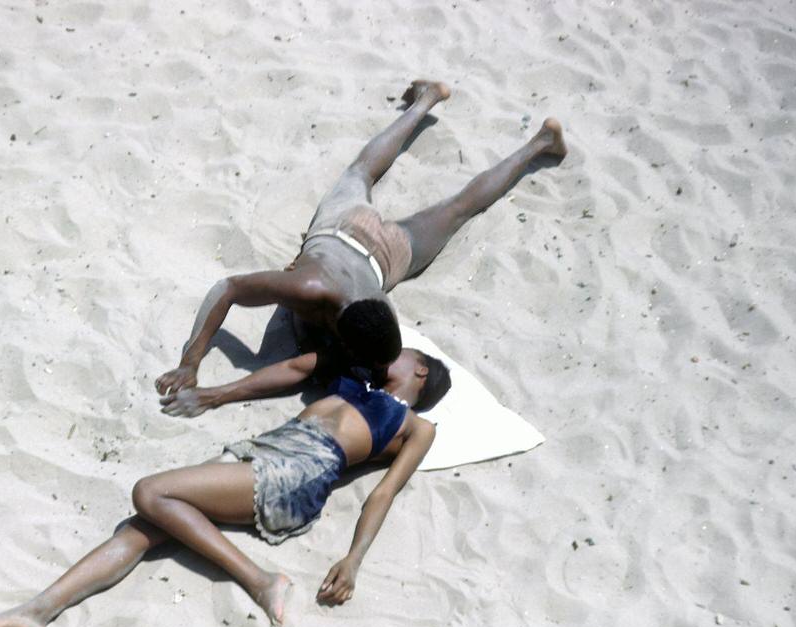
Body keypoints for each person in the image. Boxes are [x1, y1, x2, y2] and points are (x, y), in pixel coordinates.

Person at [0, 348, 452, 627]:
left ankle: (261, 582)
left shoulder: (417, 426)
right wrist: (218, 391)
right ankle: (37, 612)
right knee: (143, 528)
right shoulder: (356, 374)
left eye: (406, 352)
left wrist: (354, 560)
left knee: (150, 492)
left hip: (299, 472)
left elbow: (384, 493)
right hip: (264, 452)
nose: (396, 351)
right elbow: (295, 366)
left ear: (421, 372)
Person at [154, 79, 566, 396]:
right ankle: (540, 142)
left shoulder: (335, 302)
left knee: (364, 173)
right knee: (455, 209)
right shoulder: (321, 292)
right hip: (377, 252)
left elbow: (230, 288)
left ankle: (429, 100)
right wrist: (190, 362)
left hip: (363, 241)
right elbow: (225, 289)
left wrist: (193, 367)